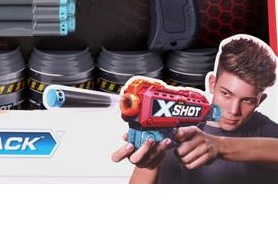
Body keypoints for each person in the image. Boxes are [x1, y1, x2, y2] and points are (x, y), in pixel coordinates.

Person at [112, 35, 278, 183]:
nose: (234, 110)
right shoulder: (175, 125)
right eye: (226, 94)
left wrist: (220, 146)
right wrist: (150, 165)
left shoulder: (264, 129)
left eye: (248, 100)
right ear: (212, 83)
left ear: (260, 100)